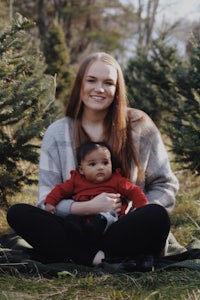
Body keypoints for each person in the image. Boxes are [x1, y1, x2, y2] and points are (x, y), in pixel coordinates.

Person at [7, 52, 179, 268]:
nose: (99, 89)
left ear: (117, 89)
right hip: (74, 228)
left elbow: (165, 184)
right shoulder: (58, 132)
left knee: (156, 216)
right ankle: (104, 258)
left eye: (108, 82)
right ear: (80, 84)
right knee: (19, 213)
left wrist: (134, 212)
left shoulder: (139, 126)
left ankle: (81, 256)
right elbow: (45, 201)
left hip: (122, 228)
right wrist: (87, 207)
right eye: (91, 80)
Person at [44, 141, 148, 238]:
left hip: (108, 219)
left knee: (107, 218)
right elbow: (60, 190)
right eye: (93, 164)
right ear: (81, 170)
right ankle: (75, 231)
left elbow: (134, 191)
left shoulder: (117, 180)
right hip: (83, 217)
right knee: (72, 219)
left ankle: (95, 230)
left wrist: (142, 209)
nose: (100, 167)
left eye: (105, 163)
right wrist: (50, 202)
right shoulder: (76, 181)